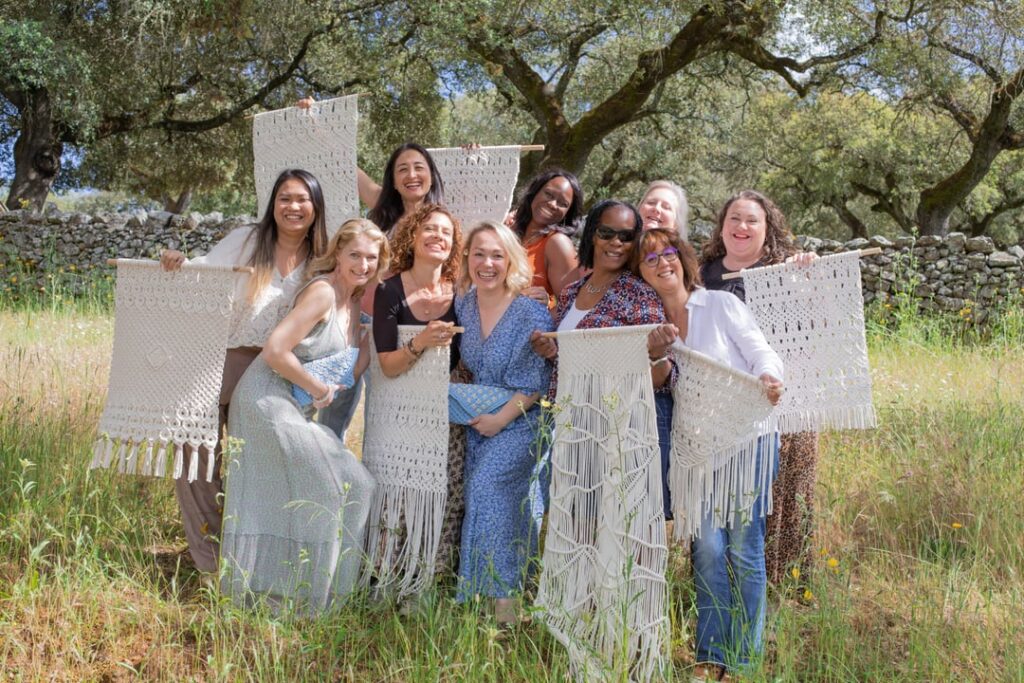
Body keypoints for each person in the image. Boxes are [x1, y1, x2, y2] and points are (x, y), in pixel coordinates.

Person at [159, 168, 328, 579]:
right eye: (285, 197)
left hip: (276, 373)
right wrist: (176, 262)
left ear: (316, 207)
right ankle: (209, 561)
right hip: (221, 360)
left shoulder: (322, 258)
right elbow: (202, 273)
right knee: (194, 454)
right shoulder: (248, 240)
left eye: (302, 199)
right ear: (273, 203)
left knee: (262, 465)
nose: (293, 206)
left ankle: (260, 557)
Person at [636, 227, 784, 680]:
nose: (662, 262)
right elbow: (658, 384)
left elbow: (760, 351)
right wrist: (655, 355)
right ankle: (710, 655)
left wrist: (769, 377)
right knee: (707, 552)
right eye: (650, 258)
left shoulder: (720, 304)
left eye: (668, 253)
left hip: (746, 437)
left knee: (742, 548)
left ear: (682, 259)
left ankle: (744, 658)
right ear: (640, 272)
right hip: (696, 449)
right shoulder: (647, 324)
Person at [218, 218, 386, 612]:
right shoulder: (323, 293)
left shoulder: (356, 302)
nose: (363, 264)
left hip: (296, 406)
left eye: (371, 258)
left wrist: (370, 341)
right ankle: (290, 593)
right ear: (338, 255)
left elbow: (347, 373)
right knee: (330, 487)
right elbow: (275, 350)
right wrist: (315, 388)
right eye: (355, 255)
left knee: (358, 485)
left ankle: (327, 592)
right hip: (266, 399)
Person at [700, 190, 818, 587]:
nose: (742, 227)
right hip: (714, 410)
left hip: (775, 403)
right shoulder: (701, 274)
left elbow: (811, 326)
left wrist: (806, 278)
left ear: (767, 229)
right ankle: (720, 586)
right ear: (722, 226)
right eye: (734, 218)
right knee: (718, 503)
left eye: (752, 220)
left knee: (776, 496)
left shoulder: (785, 272)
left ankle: (779, 584)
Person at [454, 221, 552, 625]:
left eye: (497, 254)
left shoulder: (530, 310)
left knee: (489, 488)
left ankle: (507, 605)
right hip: (481, 419)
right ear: (468, 259)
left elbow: (537, 383)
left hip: (522, 421)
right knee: (487, 503)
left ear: (511, 259)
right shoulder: (465, 305)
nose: (487, 263)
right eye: (479, 254)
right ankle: (485, 596)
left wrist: (500, 420)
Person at [372, 203, 467, 576]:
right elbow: (388, 364)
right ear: (412, 236)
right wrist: (422, 342)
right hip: (401, 405)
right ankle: (388, 573)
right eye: (429, 228)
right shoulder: (389, 290)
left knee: (446, 488)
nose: (437, 236)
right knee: (398, 488)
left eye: (446, 232)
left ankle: (431, 572)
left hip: (447, 407)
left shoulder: (462, 291)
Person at [509, 169, 583, 306]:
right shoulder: (507, 229)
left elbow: (571, 305)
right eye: (548, 194)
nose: (552, 204)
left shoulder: (557, 243)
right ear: (535, 191)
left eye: (562, 204)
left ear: (568, 213)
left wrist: (547, 304)